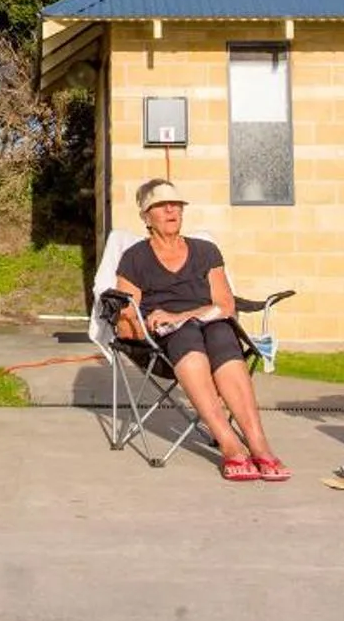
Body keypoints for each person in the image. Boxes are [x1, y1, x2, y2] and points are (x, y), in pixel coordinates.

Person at [109, 178, 290, 482]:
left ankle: (258, 443)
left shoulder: (206, 251)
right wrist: (140, 322)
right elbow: (128, 316)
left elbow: (225, 304)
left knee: (221, 332)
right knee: (186, 335)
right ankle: (231, 447)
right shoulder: (135, 258)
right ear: (146, 216)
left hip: (210, 323)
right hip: (169, 340)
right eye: (161, 206)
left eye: (176, 205)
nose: (171, 210)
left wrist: (183, 314)